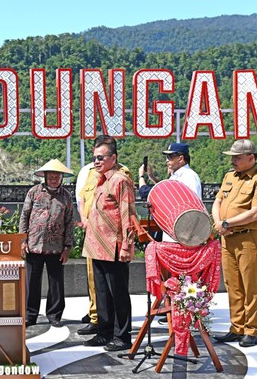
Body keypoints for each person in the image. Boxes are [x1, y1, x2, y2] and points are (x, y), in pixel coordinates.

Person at [212, 140, 257, 348]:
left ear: (251, 158)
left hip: (248, 239)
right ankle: (236, 327)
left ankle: (251, 329)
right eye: (232, 157)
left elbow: (255, 213)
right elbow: (218, 201)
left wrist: (227, 222)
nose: (233, 160)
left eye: (237, 157)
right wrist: (219, 223)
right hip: (227, 237)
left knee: (250, 285)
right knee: (232, 285)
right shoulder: (230, 176)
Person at [81, 136, 136, 352]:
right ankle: (104, 332)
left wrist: (126, 246)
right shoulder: (100, 179)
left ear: (113, 158)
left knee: (118, 293)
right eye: (94, 157)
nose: (96, 161)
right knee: (102, 292)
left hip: (114, 247)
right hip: (96, 246)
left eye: (101, 157)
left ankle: (122, 336)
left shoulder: (121, 180)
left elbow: (128, 215)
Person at [19, 159, 74, 328]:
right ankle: (30, 314)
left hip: (56, 246)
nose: (54, 179)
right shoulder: (34, 192)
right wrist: (23, 240)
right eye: (51, 176)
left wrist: (67, 247)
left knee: (56, 282)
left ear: (61, 177)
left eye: (57, 177)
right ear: (44, 176)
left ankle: (54, 314)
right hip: (34, 244)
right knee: (31, 282)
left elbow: (69, 221)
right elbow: (24, 216)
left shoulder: (66, 196)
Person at [138, 142, 202, 242]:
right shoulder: (175, 175)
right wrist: (152, 178)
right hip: (173, 231)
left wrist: (141, 176)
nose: (167, 160)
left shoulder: (189, 176)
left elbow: (193, 206)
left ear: (181, 158)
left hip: (183, 233)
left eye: (170, 157)